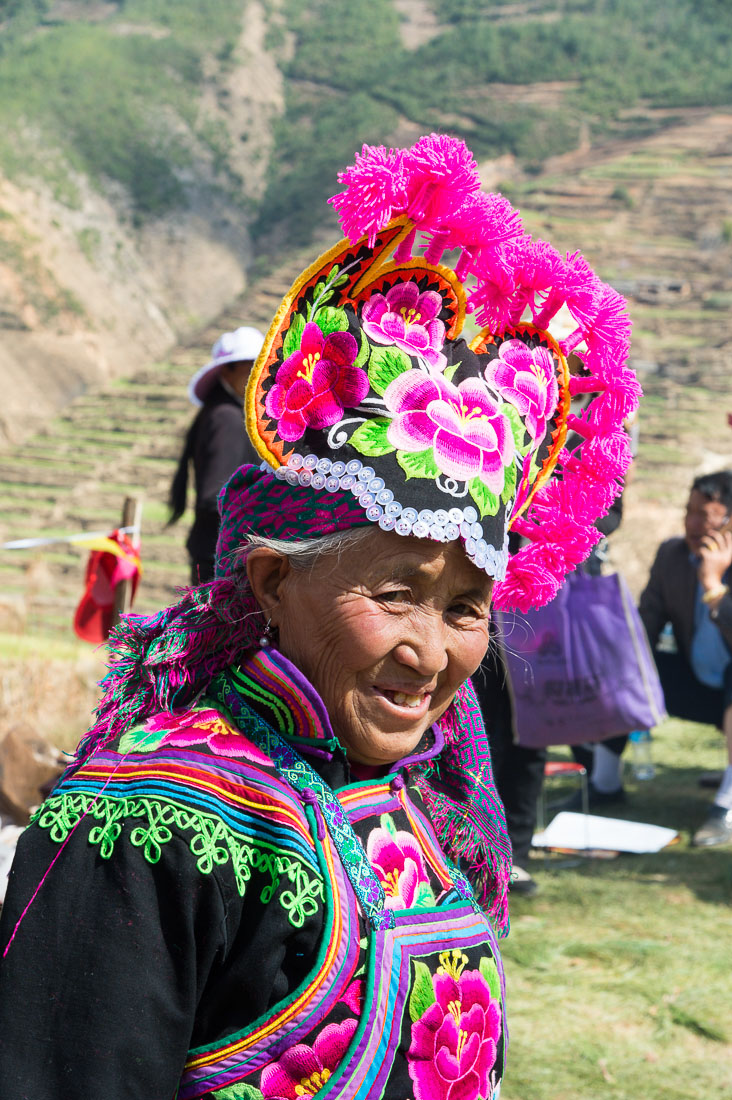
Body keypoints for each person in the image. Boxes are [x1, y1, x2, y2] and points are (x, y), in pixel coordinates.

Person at [0, 134, 635, 1099]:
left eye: (467, 608)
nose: (431, 652)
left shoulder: (422, 800)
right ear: (268, 582)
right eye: (394, 594)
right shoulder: (143, 820)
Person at [638, 468, 732, 846]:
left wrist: (713, 584)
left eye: (705, 517)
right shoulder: (671, 555)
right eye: (688, 512)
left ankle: (726, 807)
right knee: (621, 665)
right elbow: (645, 624)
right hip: (696, 681)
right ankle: (604, 780)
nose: (692, 525)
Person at [169, 325, 265, 583]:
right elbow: (214, 497)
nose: (257, 376)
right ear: (228, 370)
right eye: (250, 367)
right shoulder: (227, 420)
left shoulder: (222, 413)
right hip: (223, 565)